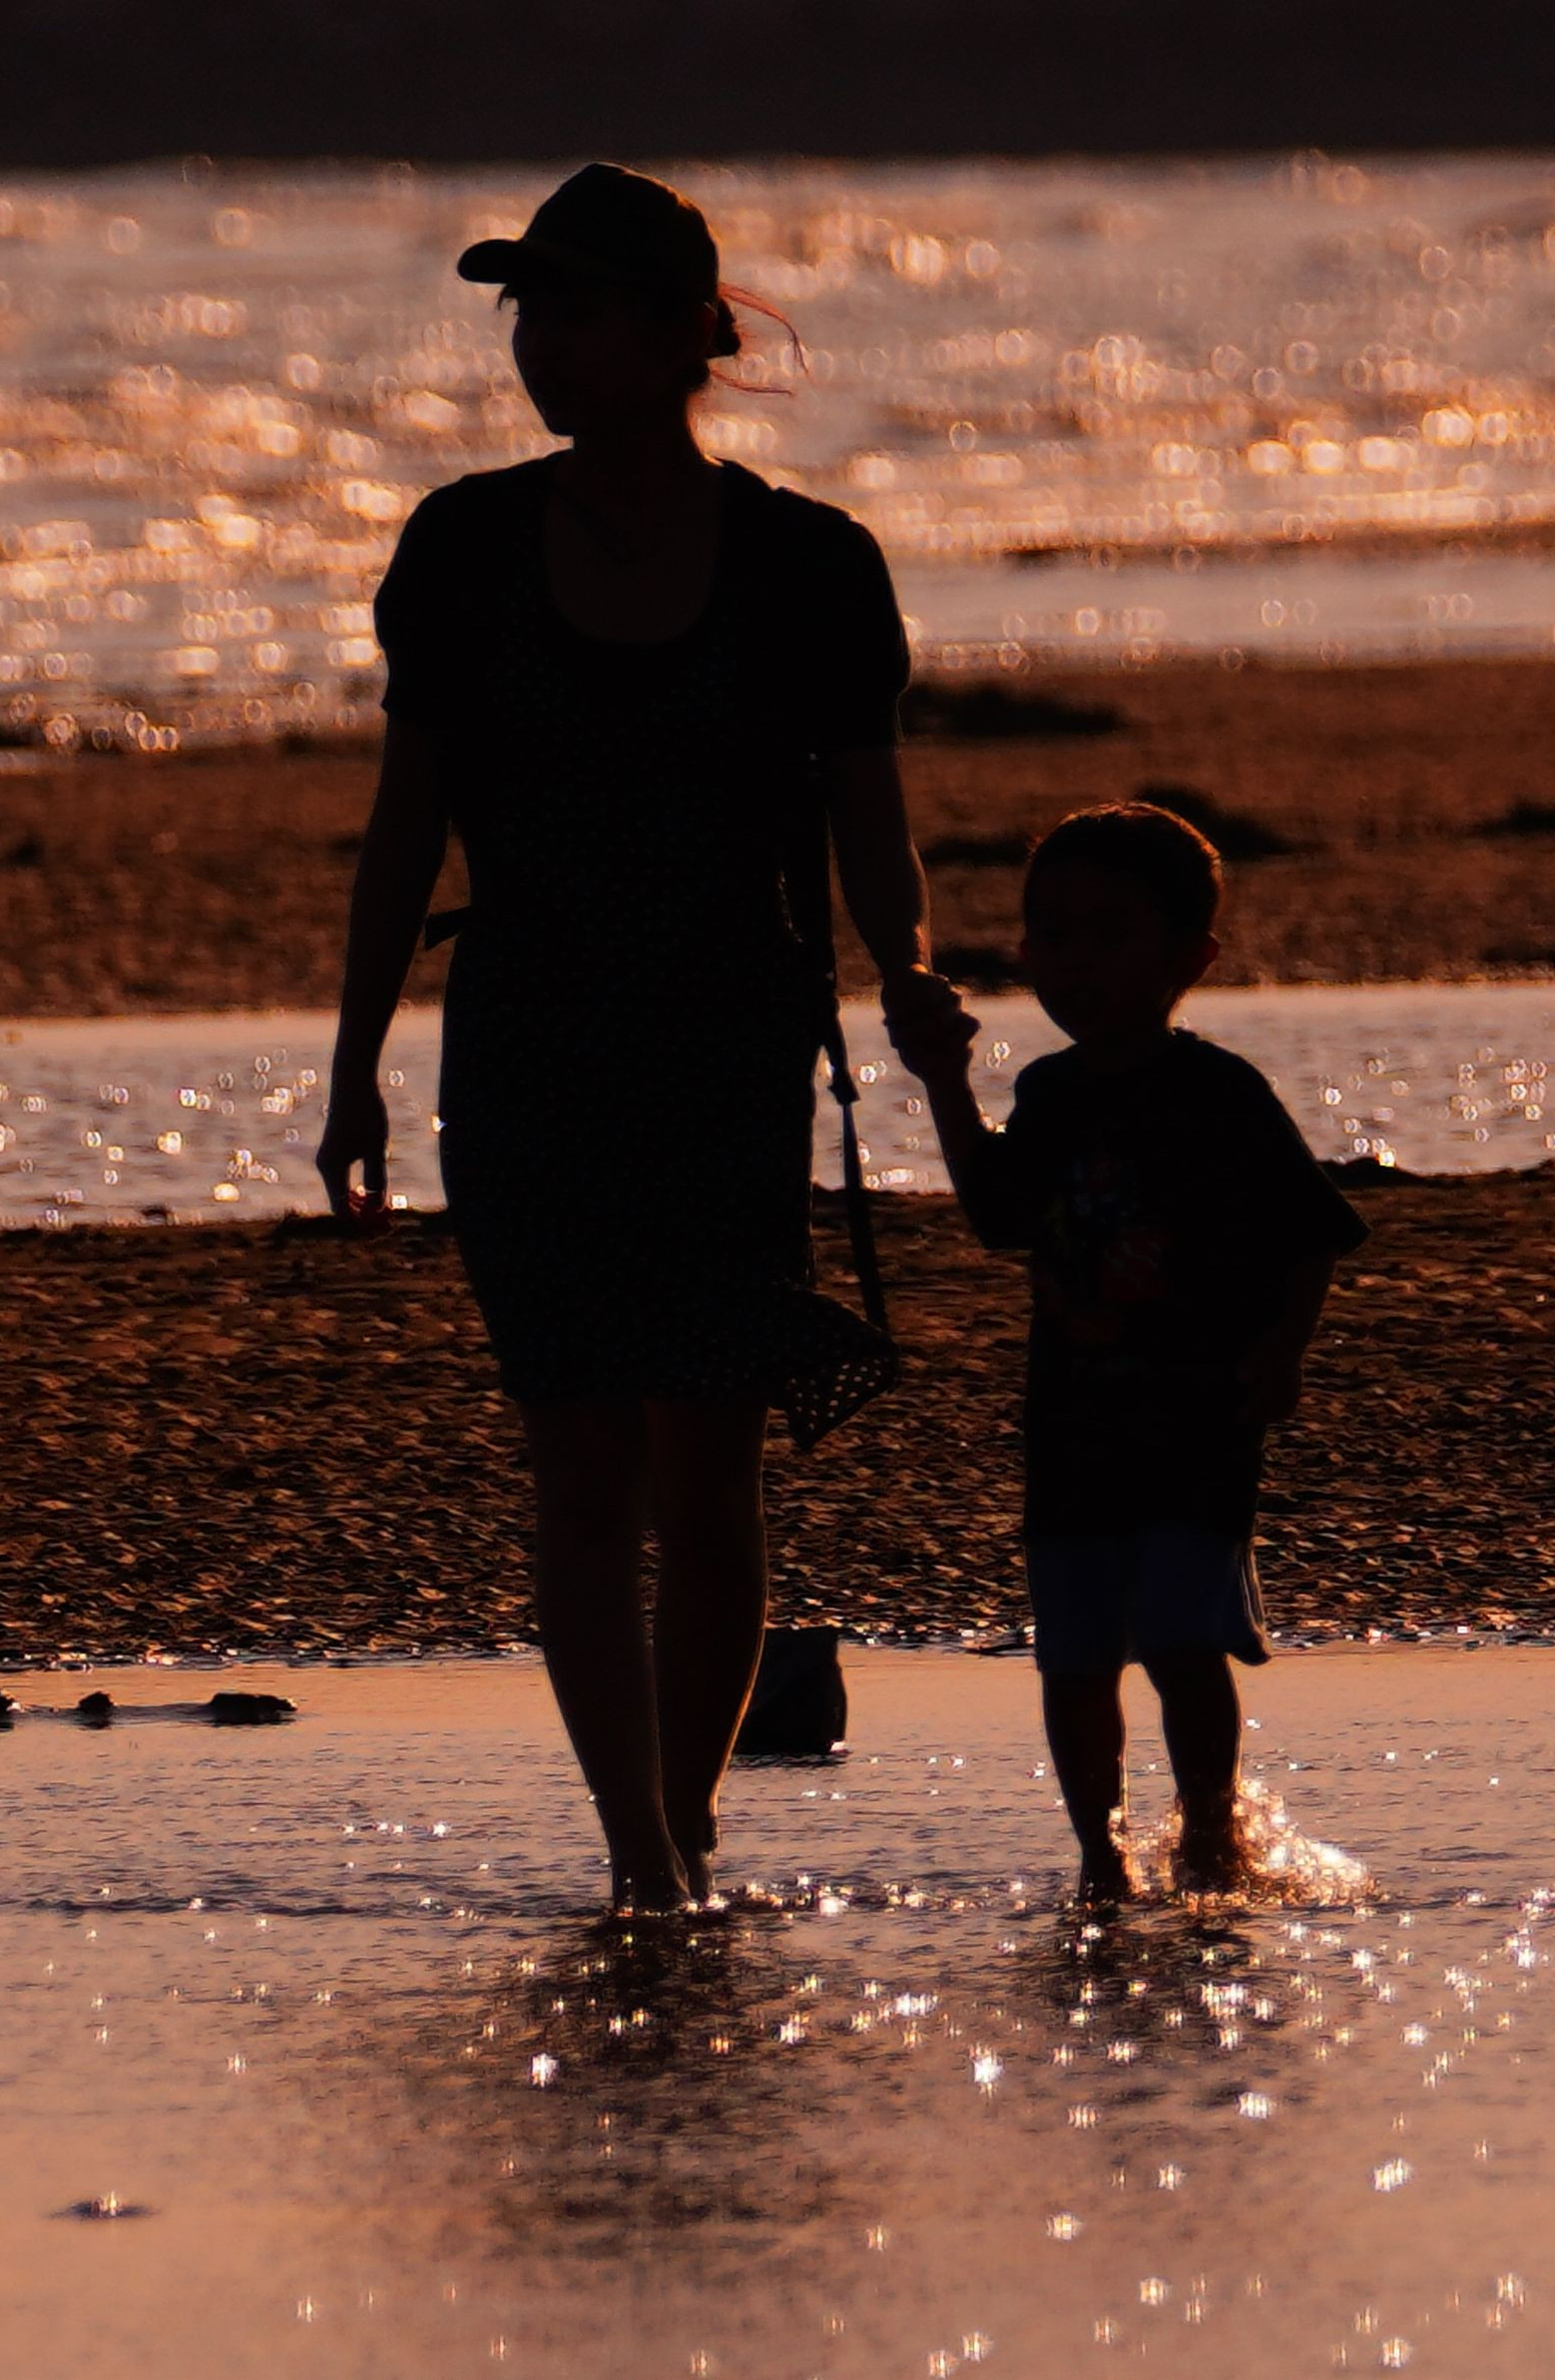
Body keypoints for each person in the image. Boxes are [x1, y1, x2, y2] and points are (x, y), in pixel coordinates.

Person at [314, 164, 968, 1914]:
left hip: (727, 1046)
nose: (544, 344)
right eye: (528, 313)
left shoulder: (811, 565)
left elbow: (873, 830)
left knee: (710, 1467)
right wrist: (354, 1065)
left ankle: (688, 1819)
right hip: (525, 1046)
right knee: (581, 1463)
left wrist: (909, 972)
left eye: (580, 311)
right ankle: (643, 1854)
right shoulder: (461, 549)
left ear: (691, 334)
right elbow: (405, 825)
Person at [885, 803, 1368, 1903]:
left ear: (1188, 958)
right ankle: (1100, 1861)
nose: (1077, 962)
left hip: (1197, 1417)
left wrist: (1282, 1354)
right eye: (1053, 934)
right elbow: (999, 1216)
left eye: (1110, 934)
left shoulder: (1218, 1092)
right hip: (1074, 1421)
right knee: (1074, 1657)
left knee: (1183, 1641)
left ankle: (1210, 1837)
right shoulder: (1048, 1093)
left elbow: (1311, 1233)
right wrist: (946, 1081)